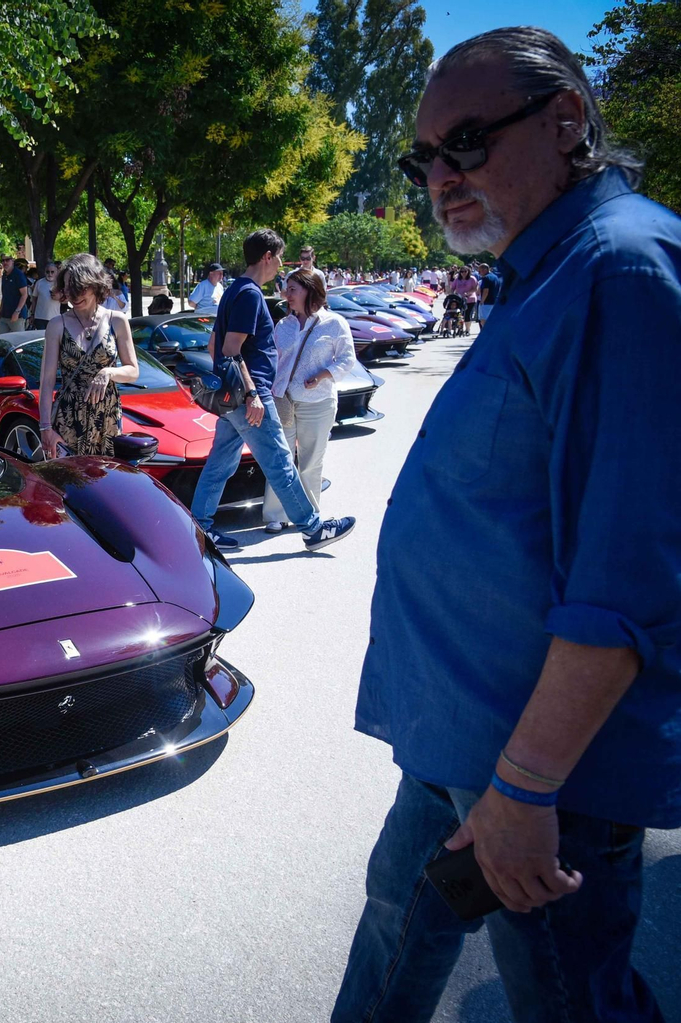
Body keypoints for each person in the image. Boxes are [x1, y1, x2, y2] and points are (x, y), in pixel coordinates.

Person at [334, 27, 679, 1023]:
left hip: (538, 783)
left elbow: (626, 578)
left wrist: (524, 790)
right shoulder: (545, 269)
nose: (441, 176)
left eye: (468, 141)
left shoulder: (621, 270)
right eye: (424, 158)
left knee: (574, 1004)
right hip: (460, 745)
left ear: (566, 119)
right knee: (392, 939)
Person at [189, 229, 357, 553]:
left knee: (221, 462)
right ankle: (313, 529)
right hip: (250, 397)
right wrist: (252, 394)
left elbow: (214, 346)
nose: (281, 264)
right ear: (267, 256)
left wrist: (233, 389)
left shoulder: (233, 290)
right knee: (280, 462)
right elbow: (231, 347)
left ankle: (201, 530)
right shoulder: (250, 294)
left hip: (233, 395)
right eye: (279, 257)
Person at [261, 266, 356, 532]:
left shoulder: (334, 323)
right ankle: (275, 515)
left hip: (319, 402)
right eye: (286, 288)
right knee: (281, 459)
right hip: (284, 400)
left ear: (309, 290)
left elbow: (348, 359)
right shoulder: (283, 325)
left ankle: (310, 514)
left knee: (311, 460)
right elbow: (273, 361)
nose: (286, 294)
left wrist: (325, 374)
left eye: (293, 289)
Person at [35, 253, 140, 457]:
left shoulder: (117, 321)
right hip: (68, 420)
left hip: (106, 420)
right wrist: (45, 428)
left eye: (80, 288)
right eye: (68, 288)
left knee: (107, 483)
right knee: (69, 483)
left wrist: (108, 372)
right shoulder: (57, 325)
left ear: (95, 285)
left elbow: (133, 371)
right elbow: (46, 382)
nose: (74, 296)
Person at [0, 254, 29, 334]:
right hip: (5, 315)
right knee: (0, 340)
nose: (5, 262)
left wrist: (17, 311)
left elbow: (24, 294)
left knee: (18, 340)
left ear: (12, 260)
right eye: (3, 260)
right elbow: (5, 296)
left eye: (7, 260)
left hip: (17, 316)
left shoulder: (18, 274)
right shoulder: (4, 275)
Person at [30, 262, 60, 328]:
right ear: (44, 272)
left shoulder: (59, 284)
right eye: (47, 272)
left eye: (52, 272)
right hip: (39, 317)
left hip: (54, 318)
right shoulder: (39, 283)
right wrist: (32, 314)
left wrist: (60, 297)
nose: (50, 274)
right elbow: (34, 299)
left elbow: (67, 299)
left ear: (56, 272)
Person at [476, 261, 502, 328]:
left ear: (485, 270)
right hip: (494, 301)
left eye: (480, 271)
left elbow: (486, 291)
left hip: (487, 302)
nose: (479, 273)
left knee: (483, 320)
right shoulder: (496, 277)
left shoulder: (486, 278)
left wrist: (482, 301)